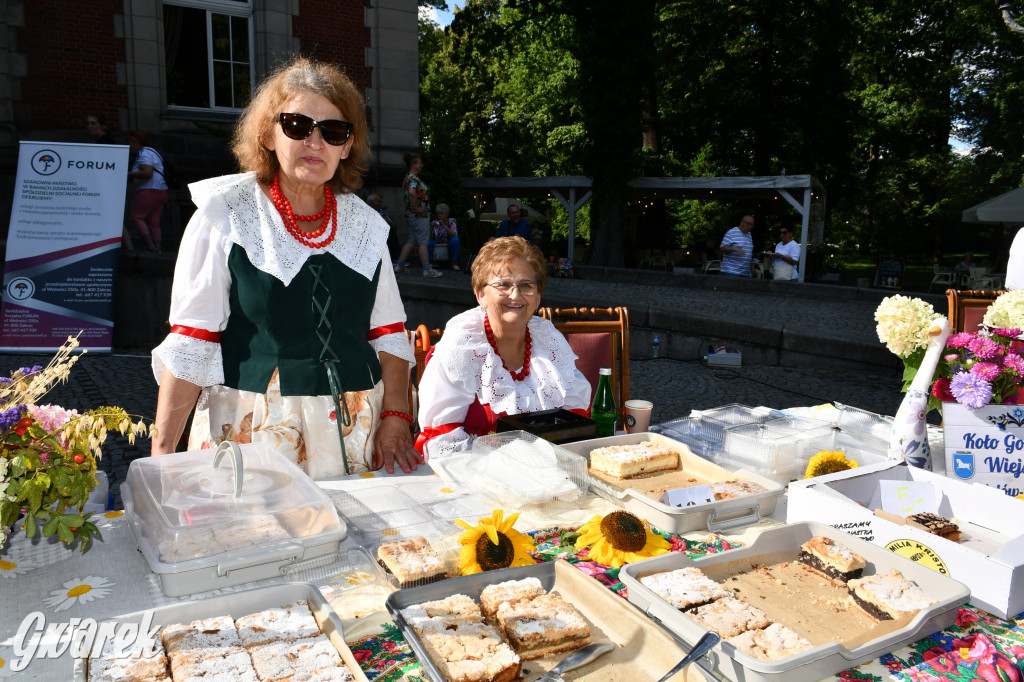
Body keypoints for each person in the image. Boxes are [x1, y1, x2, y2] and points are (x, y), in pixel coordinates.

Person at [150, 56, 422, 477]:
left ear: (347, 146)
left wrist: (397, 417)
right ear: (268, 133)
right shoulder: (225, 214)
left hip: (354, 428)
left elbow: (388, 331)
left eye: (333, 131)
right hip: (254, 429)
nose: (315, 142)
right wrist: (162, 457)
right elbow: (192, 342)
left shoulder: (367, 225)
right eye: (297, 125)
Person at [415, 236, 591, 459]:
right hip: (474, 473)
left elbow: (575, 417)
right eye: (504, 285)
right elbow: (440, 438)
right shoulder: (459, 351)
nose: (516, 295)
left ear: (538, 298)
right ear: (481, 295)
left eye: (526, 285)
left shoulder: (551, 345)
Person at [393, 153, 442, 277]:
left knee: (412, 240)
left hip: (411, 215)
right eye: (419, 163)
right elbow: (411, 192)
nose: (422, 165)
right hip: (420, 215)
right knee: (422, 242)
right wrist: (417, 207)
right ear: (413, 164)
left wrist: (408, 208)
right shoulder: (413, 178)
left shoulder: (407, 178)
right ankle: (427, 269)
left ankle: (399, 265)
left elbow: (407, 195)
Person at [126, 131, 170, 252]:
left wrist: (129, 174)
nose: (129, 146)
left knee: (136, 217)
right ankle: (158, 247)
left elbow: (147, 173)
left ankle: (150, 245)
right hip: (162, 190)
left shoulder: (144, 153)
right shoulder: (153, 152)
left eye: (130, 143)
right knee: (154, 221)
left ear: (136, 143)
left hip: (149, 190)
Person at [428, 203, 461, 271]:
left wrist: (444, 226)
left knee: (455, 240)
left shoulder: (452, 221)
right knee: (429, 242)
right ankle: (433, 262)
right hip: (438, 243)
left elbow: (455, 234)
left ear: (447, 214)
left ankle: (454, 263)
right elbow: (431, 237)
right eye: (438, 213)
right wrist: (431, 227)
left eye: (442, 213)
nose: (439, 215)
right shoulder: (436, 222)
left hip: (448, 243)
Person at [368, 193, 400, 262]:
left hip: (382, 233)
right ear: (371, 203)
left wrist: (388, 222)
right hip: (371, 233)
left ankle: (397, 257)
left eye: (381, 202)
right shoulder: (366, 212)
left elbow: (395, 226)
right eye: (378, 202)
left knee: (392, 232)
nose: (380, 204)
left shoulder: (382, 212)